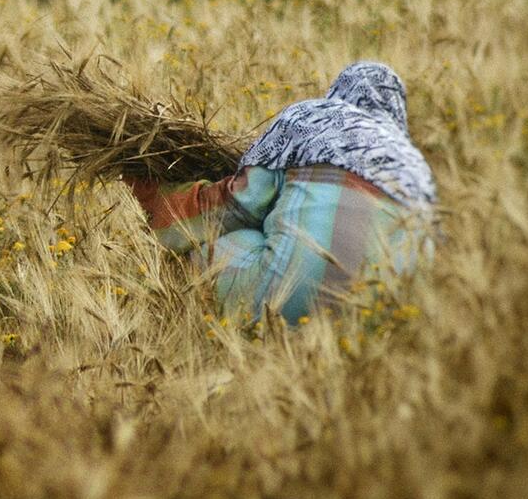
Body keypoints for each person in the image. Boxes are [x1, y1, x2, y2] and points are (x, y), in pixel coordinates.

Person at [124, 61, 436, 323]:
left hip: (282, 303)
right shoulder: (416, 166)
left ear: (339, 92)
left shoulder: (312, 118)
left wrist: (157, 211)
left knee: (223, 243)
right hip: (378, 315)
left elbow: (237, 205)